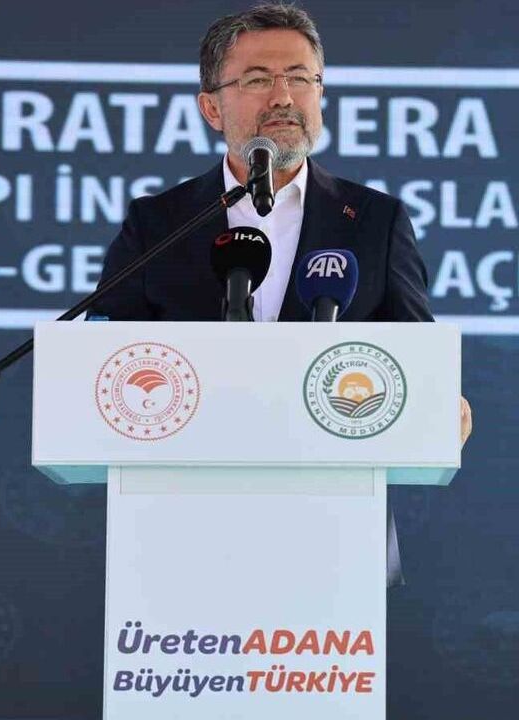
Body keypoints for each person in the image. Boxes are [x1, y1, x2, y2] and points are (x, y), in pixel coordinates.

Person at [91, 4, 472, 583]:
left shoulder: (374, 220)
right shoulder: (159, 223)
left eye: (300, 77)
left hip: (335, 527)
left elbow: (414, 352)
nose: (284, 97)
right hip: (182, 531)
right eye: (258, 79)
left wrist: (437, 401)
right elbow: (104, 359)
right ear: (211, 107)